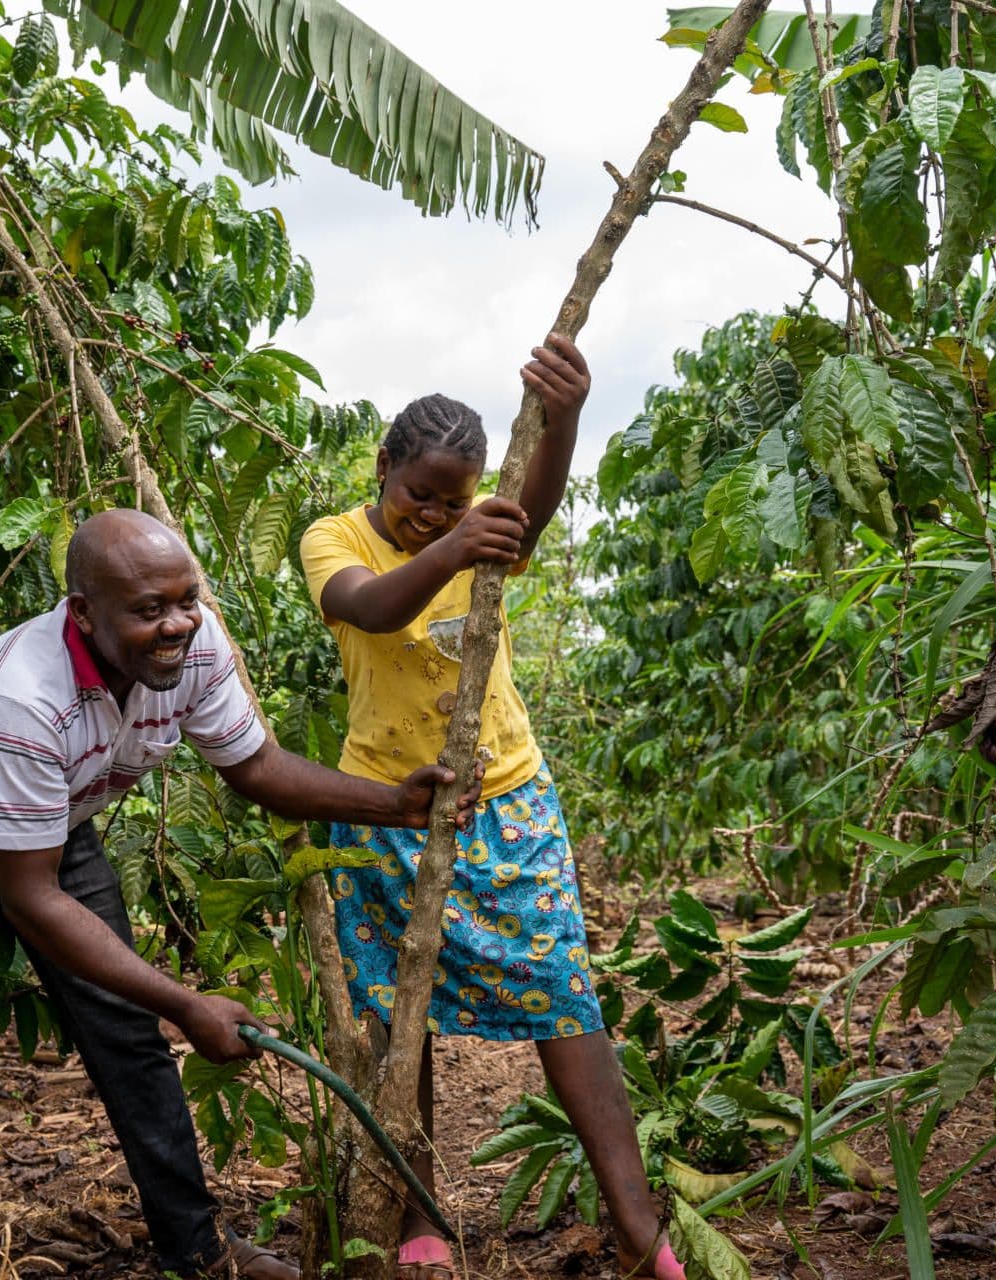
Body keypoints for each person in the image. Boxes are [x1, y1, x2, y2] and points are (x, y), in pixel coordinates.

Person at [0, 508, 483, 1280]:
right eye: (149, 610)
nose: (177, 624)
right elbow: (33, 900)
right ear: (83, 613)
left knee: (125, 1032)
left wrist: (397, 803)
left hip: (51, 818)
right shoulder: (21, 698)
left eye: (186, 599)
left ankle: (200, 1251)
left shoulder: (196, 642)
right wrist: (187, 1004)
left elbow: (257, 770)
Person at [296, 335, 683, 1280]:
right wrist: (455, 546)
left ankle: (639, 1230)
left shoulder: (480, 535)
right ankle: (420, 1211)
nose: (430, 516)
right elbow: (370, 608)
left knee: (562, 995)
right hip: (384, 806)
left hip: (506, 799)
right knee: (401, 1009)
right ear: (382, 468)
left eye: (452, 502)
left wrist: (566, 417)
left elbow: (532, 512)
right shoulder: (333, 538)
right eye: (416, 494)